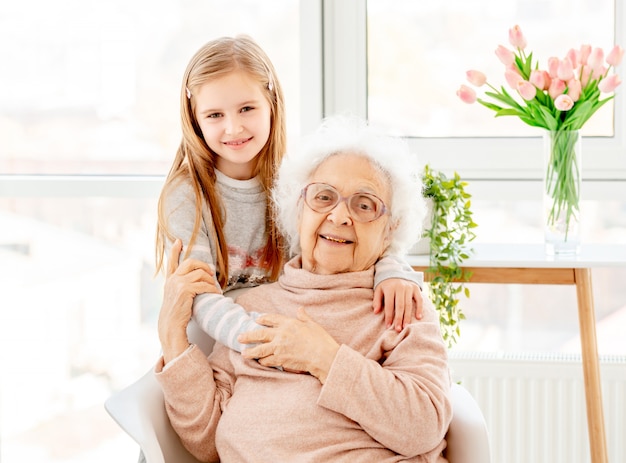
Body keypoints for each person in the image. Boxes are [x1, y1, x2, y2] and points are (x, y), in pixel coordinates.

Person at [155, 115, 453, 462]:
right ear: (298, 210)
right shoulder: (252, 308)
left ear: (391, 229)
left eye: (364, 204)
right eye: (323, 197)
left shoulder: (400, 306)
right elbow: (206, 442)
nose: (340, 217)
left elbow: (423, 426)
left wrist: (322, 357)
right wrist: (172, 336)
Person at [154, 35, 426, 354]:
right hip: (220, 341)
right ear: (195, 120)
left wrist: (394, 271)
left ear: (271, 103)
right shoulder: (187, 196)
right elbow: (198, 295)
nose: (233, 128)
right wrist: (266, 340)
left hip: (289, 330)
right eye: (215, 115)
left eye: (246, 108)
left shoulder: (296, 179)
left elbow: (347, 238)